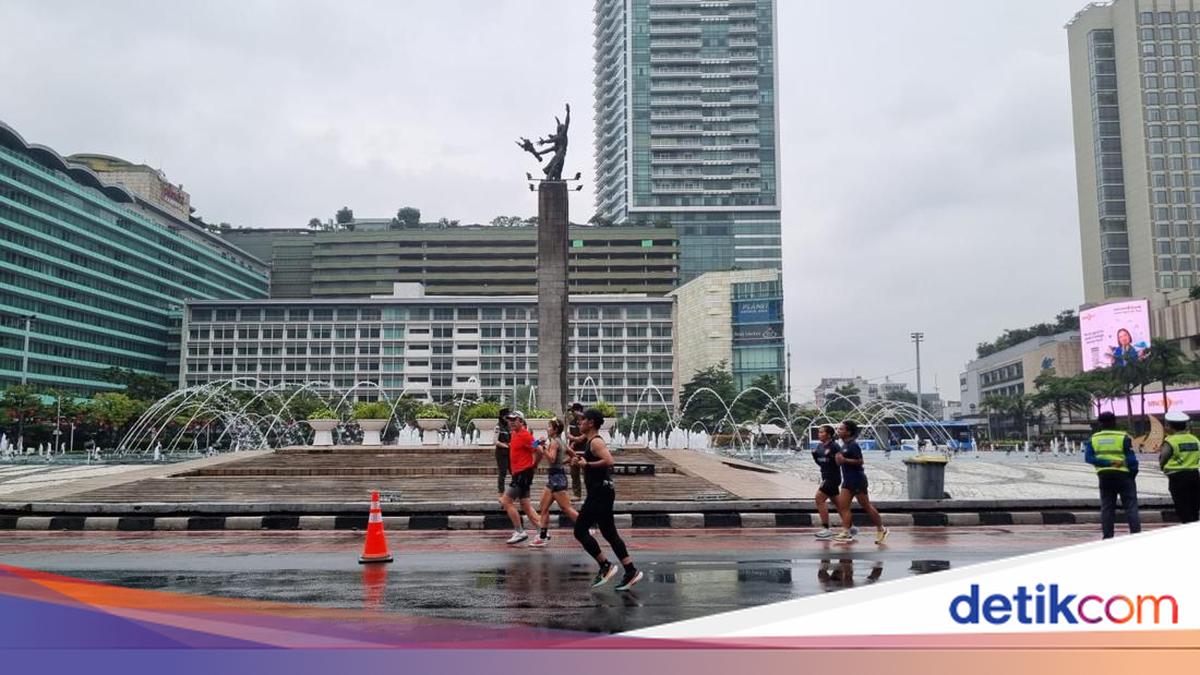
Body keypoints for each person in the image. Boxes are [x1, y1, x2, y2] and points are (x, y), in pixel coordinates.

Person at [572, 408, 642, 591]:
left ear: (591, 423)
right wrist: (581, 460)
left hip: (600, 492)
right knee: (609, 533)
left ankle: (605, 566)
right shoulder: (589, 443)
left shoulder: (595, 442)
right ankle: (630, 570)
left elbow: (609, 461)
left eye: (582, 420)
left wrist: (587, 464)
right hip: (601, 491)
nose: (579, 423)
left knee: (580, 531)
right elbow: (593, 461)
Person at [1083, 411, 1141, 539]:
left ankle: (1108, 536)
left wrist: (1106, 463)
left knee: (1107, 507)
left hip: (1104, 476)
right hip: (1124, 475)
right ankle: (1136, 535)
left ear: (1100, 423)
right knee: (1131, 506)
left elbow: (1088, 458)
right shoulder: (1123, 437)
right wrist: (1132, 473)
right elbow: (1131, 459)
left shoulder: (1094, 438)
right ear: (1114, 421)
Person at [832, 420, 888, 544]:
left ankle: (881, 529)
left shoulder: (853, 445)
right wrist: (838, 460)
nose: (838, 431)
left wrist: (844, 460)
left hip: (857, 479)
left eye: (841, 429)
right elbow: (840, 462)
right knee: (843, 506)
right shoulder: (844, 445)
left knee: (866, 506)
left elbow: (860, 461)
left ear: (848, 432)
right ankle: (846, 532)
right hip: (847, 481)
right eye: (838, 429)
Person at [529, 417, 580, 547]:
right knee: (543, 507)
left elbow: (551, 459)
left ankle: (585, 526)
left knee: (566, 508)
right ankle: (542, 537)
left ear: (555, 429)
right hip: (554, 477)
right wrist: (538, 443)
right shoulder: (560, 441)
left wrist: (543, 448)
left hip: (557, 478)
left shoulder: (554, 443)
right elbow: (573, 455)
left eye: (550, 427)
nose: (547, 429)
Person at [499, 411, 543, 544]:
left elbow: (538, 449)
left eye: (514, 420)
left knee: (506, 501)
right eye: (510, 420)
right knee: (526, 505)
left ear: (521, 421)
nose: (511, 422)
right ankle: (543, 532)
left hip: (523, 474)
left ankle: (519, 531)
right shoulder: (514, 433)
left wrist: (534, 465)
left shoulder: (525, 435)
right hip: (519, 473)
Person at [1159, 411, 1200, 524]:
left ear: (1171, 426)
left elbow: (1163, 458)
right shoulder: (1194, 439)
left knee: (1183, 508)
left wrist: (1163, 468)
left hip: (1178, 478)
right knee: (1194, 508)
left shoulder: (1171, 440)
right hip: (1194, 476)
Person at [811, 425, 847, 539]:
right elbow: (821, 463)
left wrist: (833, 458)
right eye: (819, 432)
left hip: (832, 478)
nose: (819, 434)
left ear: (829, 434)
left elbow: (840, 462)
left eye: (822, 432)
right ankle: (850, 526)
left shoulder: (835, 446)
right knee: (838, 504)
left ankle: (826, 528)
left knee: (819, 498)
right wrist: (815, 456)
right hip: (825, 476)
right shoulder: (819, 446)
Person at [566, 402, 585, 495]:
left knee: (588, 474)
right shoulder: (572, 422)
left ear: (579, 411)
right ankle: (577, 494)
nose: (572, 413)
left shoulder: (586, 421)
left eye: (573, 411)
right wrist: (574, 439)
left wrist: (576, 439)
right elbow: (569, 434)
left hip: (585, 451)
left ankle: (592, 492)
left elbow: (584, 436)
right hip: (574, 452)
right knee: (574, 474)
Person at [494, 407, 512, 501]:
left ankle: (513, 492)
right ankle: (501, 494)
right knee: (502, 473)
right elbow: (495, 441)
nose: (508, 418)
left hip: (510, 453)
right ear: (502, 417)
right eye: (507, 417)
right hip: (501, 453)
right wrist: (505, 445)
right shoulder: (498, 426)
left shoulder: (509, 426)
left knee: (514, 472)